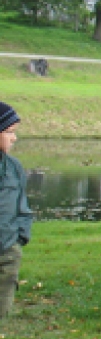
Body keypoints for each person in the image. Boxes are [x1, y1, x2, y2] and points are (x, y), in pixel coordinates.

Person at [0, 102, 31, 319]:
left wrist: (19, 238)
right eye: (9, 132)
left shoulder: (13, 168)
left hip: (7, 250)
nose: (14, 138)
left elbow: (22, 207)